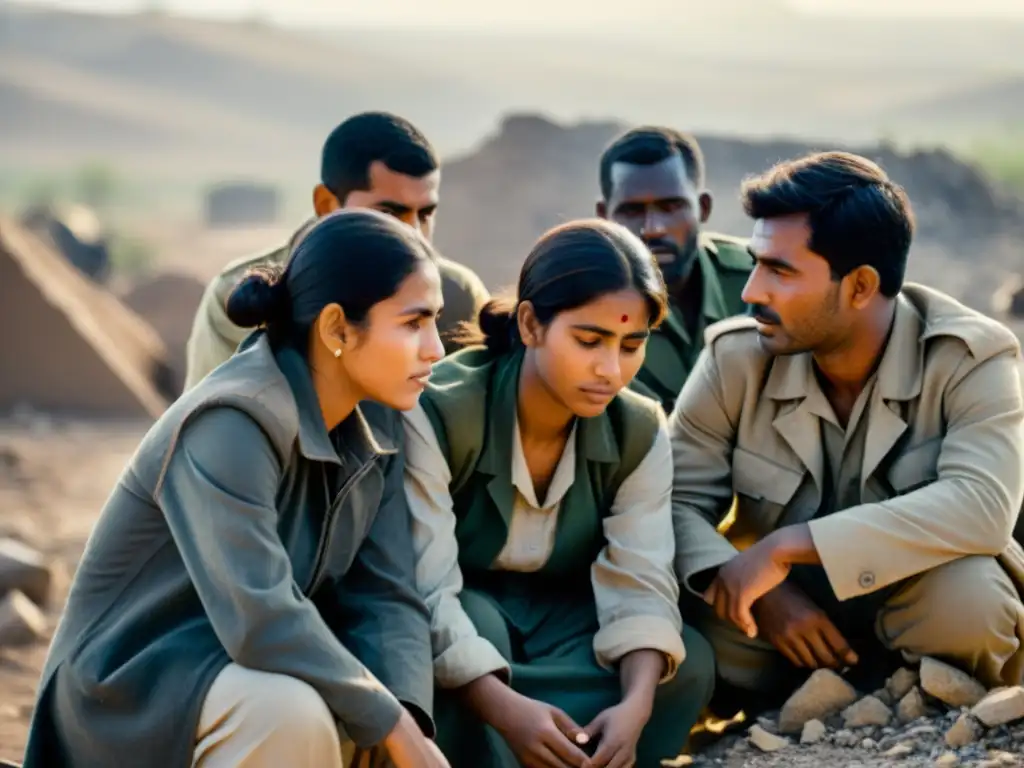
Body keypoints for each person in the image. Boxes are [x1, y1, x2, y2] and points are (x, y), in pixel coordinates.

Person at [23, 209, 452, 768]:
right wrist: (388, 723)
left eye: (436, 322)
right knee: (290, 711)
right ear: (336, 330)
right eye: (414, 323)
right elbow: (260, 616)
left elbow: (386, 592)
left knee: (356, 705)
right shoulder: (230, 420)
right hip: (133, 692)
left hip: (240, 674)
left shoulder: (378, 422)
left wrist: (406, 715)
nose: (436, 349)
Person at [669, 150, 1024, 708]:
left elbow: (983, 507)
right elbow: (670, 501)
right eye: (756, 262)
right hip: (780, 629)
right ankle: (779, 713)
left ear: (859, 286)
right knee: (682, 622)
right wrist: (763, 591)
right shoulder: (735, 359)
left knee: (974, 605)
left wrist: (787, 547)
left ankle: (915, 708)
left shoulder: (971, 357)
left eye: (780, 271)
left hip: (917, 606)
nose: (751, 291)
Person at [404, 219, 716, 768]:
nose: (610, 369)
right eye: (589, 340)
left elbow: (640, 579)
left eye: (632, 344)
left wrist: (636, 708)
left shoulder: (638, 430)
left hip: (566, 626)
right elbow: (427, 589)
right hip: (465, 619)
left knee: (684, 666)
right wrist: (504, 709)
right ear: (530, 323)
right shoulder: (439, 412)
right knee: (468, 640)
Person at [184, 111, 489, 391]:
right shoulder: (244, 295)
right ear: (327, 205)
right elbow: (215, 418)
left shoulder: (458, 293)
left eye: (424, 214)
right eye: (390, 214)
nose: (414, 235)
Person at [596, 127, 753, 412]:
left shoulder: (757, 279)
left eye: (671, 207)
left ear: (703, 208)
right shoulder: (585, 308)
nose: (653, 229)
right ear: (604, 216)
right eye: (631, 211)